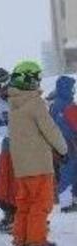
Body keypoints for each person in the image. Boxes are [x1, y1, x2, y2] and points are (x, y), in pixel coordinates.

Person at [8, 61, 68, 246]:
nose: (38, 82)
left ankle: (20, 238)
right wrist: (63, 149)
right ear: (28, 79)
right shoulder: (35, 103)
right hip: (39, 165)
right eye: (36, 78)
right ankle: (35, 239)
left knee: (24, 203)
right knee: (41, 203)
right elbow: (50, 130)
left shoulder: (13, 104)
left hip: (22, 167)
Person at [0, 67, 17, 232]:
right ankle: (8, 213)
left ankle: (21, 214)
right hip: (8, 144)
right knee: (4, 179)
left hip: (24, 147)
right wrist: (0, 129)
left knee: (17, 181)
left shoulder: (20, 97)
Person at [48, 75, 77, 211]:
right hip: (69, 142)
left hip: (58, 142)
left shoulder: (55, 105)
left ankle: (68, 200)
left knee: (66, 170)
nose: (73, 91)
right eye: (72, 88)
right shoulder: (67, 105)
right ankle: (67, 202)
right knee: (69, 170)